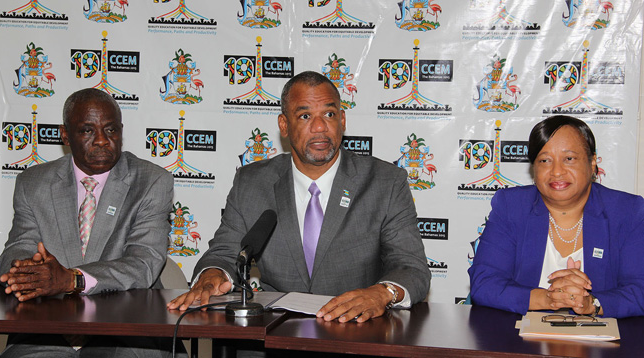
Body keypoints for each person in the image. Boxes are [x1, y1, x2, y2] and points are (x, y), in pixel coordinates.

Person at [169, 71, 431, 323]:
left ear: (342, 120)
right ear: (284, 125)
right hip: (272, 336)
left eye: (329, 114)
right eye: (305, 116)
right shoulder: (252, 182)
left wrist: (383, 293)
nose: (319, 127)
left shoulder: (385, 182)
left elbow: (411, 268)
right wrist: (212, 275)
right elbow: (224, 253)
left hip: (356, 334)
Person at [0, 88, 182, 357]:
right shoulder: (33, 183)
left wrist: (72, 280)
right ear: (65, 135)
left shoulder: (151, 181)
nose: (101, 141)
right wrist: (23, 271)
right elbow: (19, 247)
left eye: (111, 130)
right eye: (87, 131)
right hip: (47, 329)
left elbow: (144, 263)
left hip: (127, 331)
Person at [468, 115, 644, 318]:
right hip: (519, 341)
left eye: (569, 159)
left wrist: (591, 304)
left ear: (593, 162)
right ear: (534, 168)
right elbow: (484, 284)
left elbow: (640, 289)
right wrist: (549, 298)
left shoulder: (627, 211)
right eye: (545, 160)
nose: (557, 171)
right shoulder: (511, 206)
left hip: (601, 343)